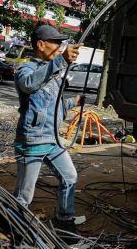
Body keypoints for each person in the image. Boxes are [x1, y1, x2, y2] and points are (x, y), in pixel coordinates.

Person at [12, 24, 83, 231]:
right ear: (41, 45)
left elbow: (53, 104)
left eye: (61, 45)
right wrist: (60, 61)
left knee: (69, 177)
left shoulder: (53, 71)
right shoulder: (27, 69)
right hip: (32, 141)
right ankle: (15, 228)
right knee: (24, 195)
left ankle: (64, 221)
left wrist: (73, 101)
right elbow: (28, 84)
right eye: (56, 43)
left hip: (52, 139)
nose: (60, 48)